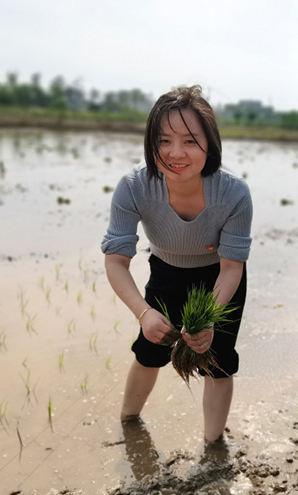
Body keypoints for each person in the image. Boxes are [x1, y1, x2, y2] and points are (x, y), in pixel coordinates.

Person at [101, 85, 252, 443]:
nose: (175, 153)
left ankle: (213, 444)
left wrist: (210, 319)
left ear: (209, 144)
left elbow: (232, 267)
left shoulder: (233, 193)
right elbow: (116, 261)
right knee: (149, 351)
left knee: (217, 360)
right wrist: (143, 313)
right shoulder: (134, 187)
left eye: (189, 141)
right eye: (164, 140)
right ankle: (129, 424)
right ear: (151, 142)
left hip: (219, 276)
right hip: (166, 270)